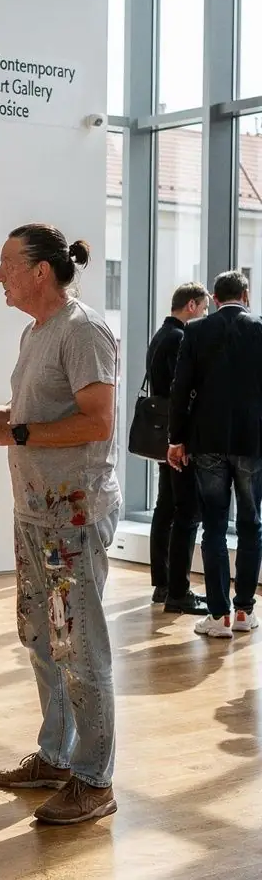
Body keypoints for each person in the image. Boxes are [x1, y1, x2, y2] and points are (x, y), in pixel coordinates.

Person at [0, 224, 121, 825]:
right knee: (43, 638)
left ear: (41, 271)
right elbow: (45, 410)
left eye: (7, 264)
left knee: (79, 643)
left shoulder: (83, 331)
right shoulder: (36, 332)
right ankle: (56, 757)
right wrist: (2, 416)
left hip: (72, 515)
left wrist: (15, 431)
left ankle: (94, 780)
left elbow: (98, 422)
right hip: (35, 511)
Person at [168, 269, 262, 640]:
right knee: (251, 524)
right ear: (246, 295)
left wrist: (176, 438)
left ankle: (219, 614)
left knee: (214, 525)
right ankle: (244, 611)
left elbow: (180, 389)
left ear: (216, 299)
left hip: (206, 441)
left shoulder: (196, 331)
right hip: (252, 441)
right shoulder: (260, 329)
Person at [147, 283, 210, 614]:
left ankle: (164, 584)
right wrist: (182, 438)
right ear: (191, 306)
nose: (205, 315)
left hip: (164, 437)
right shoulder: (179, 338)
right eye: (204, 308)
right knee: (185, 510)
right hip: (177, 438)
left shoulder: (161, 335)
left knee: (166, 507)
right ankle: (176, 590)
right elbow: (180, 391)